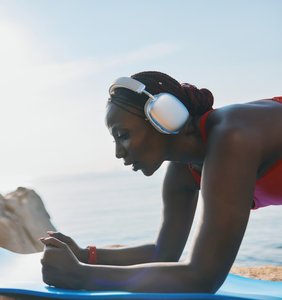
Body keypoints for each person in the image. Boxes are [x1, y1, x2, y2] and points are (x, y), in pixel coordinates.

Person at [39, 71, 282, 293]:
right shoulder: (184, 168)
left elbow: (204, 278)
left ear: (163, 117)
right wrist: (85, 255)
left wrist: (81, 276)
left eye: (123, 135)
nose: (118, 153)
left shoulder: (233, 137)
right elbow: (163, 253)